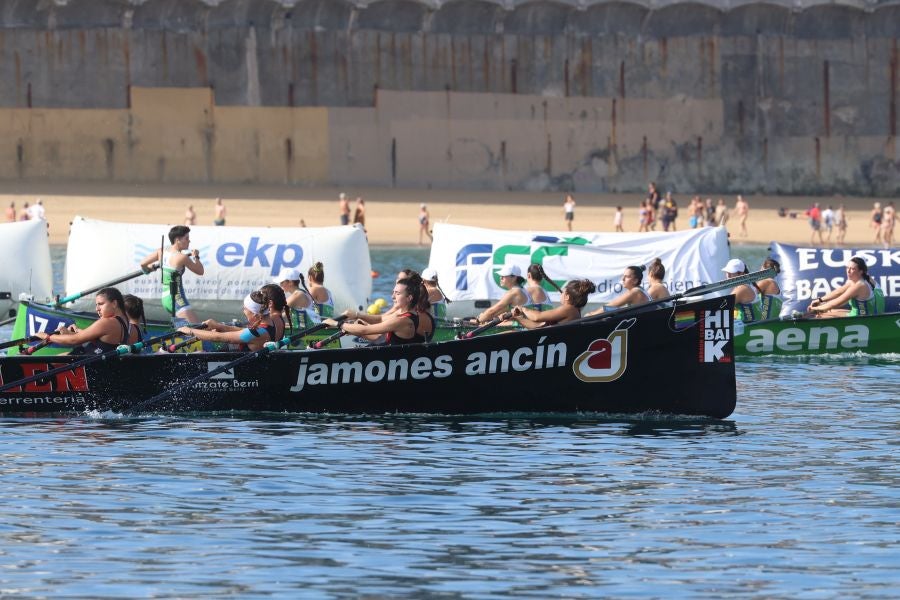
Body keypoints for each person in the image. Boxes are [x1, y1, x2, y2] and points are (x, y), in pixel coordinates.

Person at [178, 287, 288, 352]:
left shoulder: (255, 333)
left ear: (255, 314)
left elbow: (218, 337)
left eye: (245, 309)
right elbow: (241, 331)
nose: (243, 311)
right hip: (248, 367)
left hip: (243, 373)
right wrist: (220, 326)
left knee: (199, 354)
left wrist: (189, 330)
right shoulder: (270, 323)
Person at [34, 287, 130, 355]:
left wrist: (48, 337)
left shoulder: (107, 322)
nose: (97, 309)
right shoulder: (125, 322)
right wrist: (76, 331)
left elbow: (74, 340)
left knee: (57, 359)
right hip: (101, 362)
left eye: (100, 304)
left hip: (89, 364)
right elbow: (101, 340)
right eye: (96, 305)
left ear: (114, 303)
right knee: (62, 355)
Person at [140, 225, 205, 324]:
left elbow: (143, 263)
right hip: (177, 298)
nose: (189, 241)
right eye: (186, 238)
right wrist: (196, 256)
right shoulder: (181, 257)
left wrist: (148, 269)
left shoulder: (161, 251)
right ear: (178, 240)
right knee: (196, 331)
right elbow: (200, 271)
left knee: (183, 330)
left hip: (166, 298)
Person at [337, 276, 422, 345]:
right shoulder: (403, 313)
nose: (392, 297)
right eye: (393, 292)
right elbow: (380, 320)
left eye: (397, 293)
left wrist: (337, 323)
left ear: (409, 298)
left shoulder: (402, 320)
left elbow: (365, 330)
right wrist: (357, 316)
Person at [808, 256, 885, 318]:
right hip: (865, 314)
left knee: (820, 316)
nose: (848, 271)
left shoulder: (860, 285)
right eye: (847, 268)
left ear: (860, 271)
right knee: (830, 311)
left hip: (864, 319)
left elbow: (837, 302)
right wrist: (820, 300)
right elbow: (838, 292)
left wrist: (816, 309)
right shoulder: (863, 278)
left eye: (852, 269)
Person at [511, 279, 596, 329]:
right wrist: (517, 318)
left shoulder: (569, 309)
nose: (561, 294)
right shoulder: (573, 310)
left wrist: (523, 309)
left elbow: (537, 317)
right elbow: (537, 326)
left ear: (567, 297)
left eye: (563, 292)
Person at [585, 266, 652, 315]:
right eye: (623, 276)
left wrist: (590, 315)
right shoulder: (640, 289)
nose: (622, 279)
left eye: (627, 276)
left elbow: (609, 306)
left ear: (635, 280)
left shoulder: (634, 292)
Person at [721, 258, 764, 323]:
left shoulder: (742, 288)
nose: (728, 275)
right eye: (727, 272)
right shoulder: (748, 284)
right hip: (751, 323)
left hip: (751, 327)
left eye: (731, 272)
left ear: (741, 274)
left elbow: (722, 305)